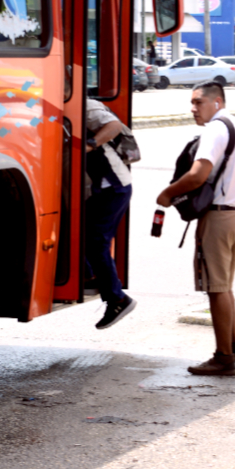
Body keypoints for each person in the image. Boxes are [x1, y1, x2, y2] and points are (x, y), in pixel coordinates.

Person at [156, 83, 235, 375]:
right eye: (191, 103)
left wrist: (167, 194)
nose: (193, 108)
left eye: (198, 102)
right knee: (224, 286)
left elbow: (197, 174)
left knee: (215, 289)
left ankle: (223, 358)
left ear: (217, 101)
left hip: (220, 218)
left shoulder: (216, 130)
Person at [84, 97, 136, 329]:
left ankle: (117, 299)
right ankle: (91, 275)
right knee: (80, 234)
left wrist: (89, 144)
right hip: (99, 189)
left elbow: (114, 126)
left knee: (96, 243)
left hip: (112, 187)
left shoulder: (83, 105)